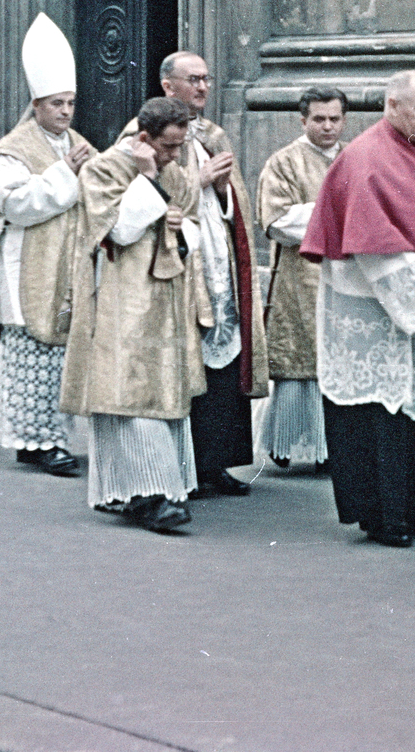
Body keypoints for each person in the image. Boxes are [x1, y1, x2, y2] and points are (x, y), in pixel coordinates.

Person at [300, 69, 415, 547]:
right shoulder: (365, 158)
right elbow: (372, 245)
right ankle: (383, 515)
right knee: (379, 413)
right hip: (373, 304)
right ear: (392, 105)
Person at [59, 97, 203, 534]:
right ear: (143, 138)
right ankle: (148, 495)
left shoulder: (175, 171)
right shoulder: (102, 170)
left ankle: (152, 488)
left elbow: (193, 225)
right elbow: (118, 231)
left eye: (180, 146)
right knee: (127, 391)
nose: (175, 156)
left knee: (157, 390)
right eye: (168, 146)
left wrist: (181, 230)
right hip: (119, 296)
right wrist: (147, 179)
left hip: (166, 297)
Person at [0, 14, 92, 477]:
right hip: (29, 267)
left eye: (71, 103)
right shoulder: (12, 150)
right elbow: (15, 203)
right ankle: (34, 442)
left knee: (60, 358)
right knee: (31, 358)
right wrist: (67, 174)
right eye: (57, 103)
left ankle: (53, 436)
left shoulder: (77, 143)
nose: (66, 112)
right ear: (37, 104)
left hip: (69, 264)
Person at [157, 52, 269, 497]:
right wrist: (201, 179)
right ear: (168, 86)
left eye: (206, 79)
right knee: (191, 361)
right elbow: (151, 197)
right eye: (193, 79)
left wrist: (223, 192)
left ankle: (216, 463)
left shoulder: (212, 134)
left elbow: (232, 204)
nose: (203, 87)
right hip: (183, 265)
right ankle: (186, 466)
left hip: (218, 259)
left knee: (223, 363)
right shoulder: (150, 132)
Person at [256, 86, 348, 470]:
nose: (328, 127)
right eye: (319, 119)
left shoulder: (353, 158)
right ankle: (286, 441)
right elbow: (277, 221)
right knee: (298, 364)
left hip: (345, 273)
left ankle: (330, 450)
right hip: (299, 276)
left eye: (335, 119)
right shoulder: (284, 162)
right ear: (303, 120)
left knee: (337, 363)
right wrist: (336, 215)